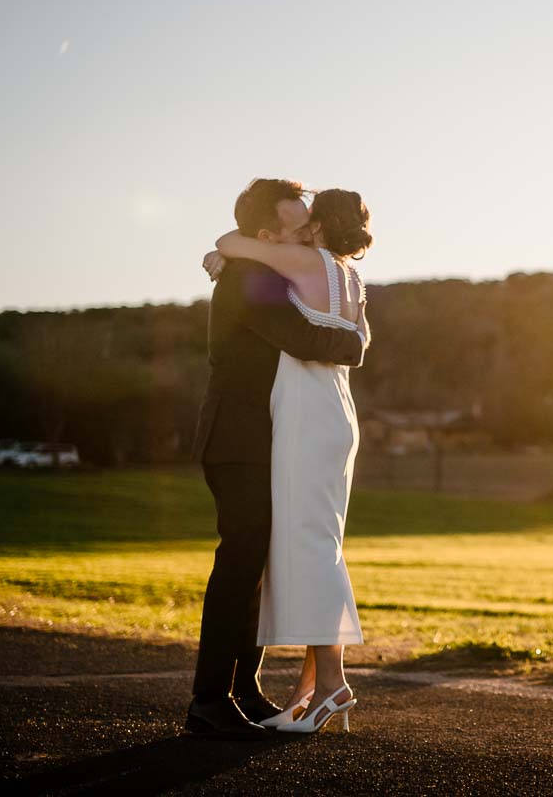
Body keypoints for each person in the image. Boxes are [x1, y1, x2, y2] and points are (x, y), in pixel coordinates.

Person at [186, 179, 369, 739]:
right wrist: (355, 342)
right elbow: (305, 339)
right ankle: (209, 701)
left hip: (274, 439)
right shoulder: (247, 278)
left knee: (258, 568)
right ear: (268, 235)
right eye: (297, 228)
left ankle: (244, 691)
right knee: (240, 564)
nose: (309, 234)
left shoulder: (270, 269)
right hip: (239, 442)